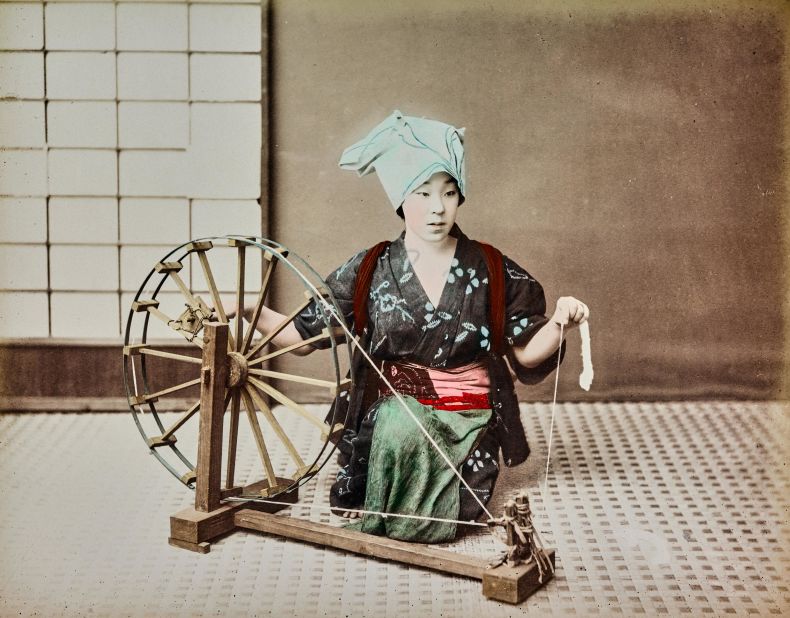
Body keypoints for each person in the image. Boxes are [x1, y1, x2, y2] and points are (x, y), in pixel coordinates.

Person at [243, 111, 588, 543]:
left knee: (458, 506)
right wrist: (246, 312)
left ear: (460, 197)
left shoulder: (492, 268)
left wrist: (559, 323)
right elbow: (301, 336)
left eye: (448, 193)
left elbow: (526, 352)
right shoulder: (370, 268)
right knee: (398, 424)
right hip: (390, 413)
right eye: (422, 193)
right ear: (401, 199)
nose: (437, 207)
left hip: (468, 416)